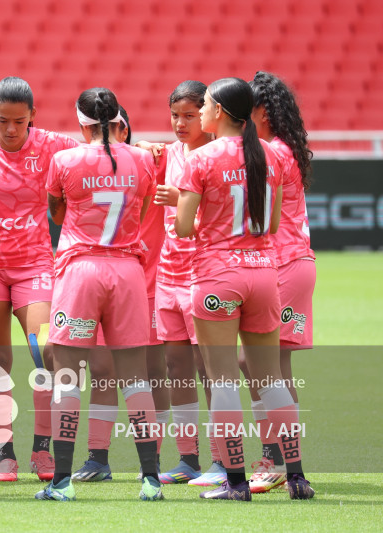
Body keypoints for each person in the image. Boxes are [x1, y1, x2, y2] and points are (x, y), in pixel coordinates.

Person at [173, 77, 313, 500]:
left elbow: (182, 228)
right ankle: (297, 477)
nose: (200, 113)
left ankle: (235, 483)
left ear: (220, 112)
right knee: (271, 380)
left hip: (218, 274)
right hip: (265, 273)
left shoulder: (201, 158)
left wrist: (203, 223)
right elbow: (270, 225)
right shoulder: (273, 156)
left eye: (206, 106)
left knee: (224, 381)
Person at [0, 77, 80, 482]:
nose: (10, 129)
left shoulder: (53, 144)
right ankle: (6, 454)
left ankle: (43, 451)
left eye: (19, 121)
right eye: (2, 120)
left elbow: (99, 149)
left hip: (35, 265)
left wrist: (142, 147)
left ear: (32, 118)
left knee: (44, 356)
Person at [37, 87, 162, 502]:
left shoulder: (64, 160)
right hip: (127, 270)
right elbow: (141, 210)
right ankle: (150, 481)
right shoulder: (143, 159)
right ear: (118, 121)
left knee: (67, 378)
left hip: (80, 270)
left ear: (82, 122)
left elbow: (57, 210)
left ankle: (61, 483)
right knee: (135, 378)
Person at [72, 107, 169, 482]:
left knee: (153, 373)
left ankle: (154, 459)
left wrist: (149, 147)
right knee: (102, 372)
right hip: (105, 282)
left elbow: (186, 151)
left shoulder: (151, 162)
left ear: (123, 128)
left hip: (148, 285)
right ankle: (98, 458)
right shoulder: (84, 165)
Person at [145, 81, 227, 487]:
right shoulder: (168, 154)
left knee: (209, 369)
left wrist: (180, 199)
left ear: (207, 116)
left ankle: (223, 459)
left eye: (190, 115)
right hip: (168, 274)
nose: (180, 123)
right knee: (177, 369)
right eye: (175, 115)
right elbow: (135, 150)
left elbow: (223, 213)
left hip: (204, 272)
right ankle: (188, 459)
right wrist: (145, 146)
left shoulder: (216, 157)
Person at [239, 71, 315, 493]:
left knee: (261, 366)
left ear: (262, 112)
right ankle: (286, 461)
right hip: (295, 262)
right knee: (271, 367)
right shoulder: (287, 148)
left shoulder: (270, 151)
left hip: (284, 264)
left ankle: (274, 459)